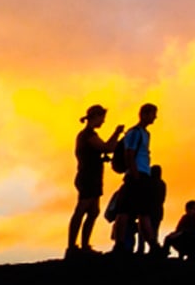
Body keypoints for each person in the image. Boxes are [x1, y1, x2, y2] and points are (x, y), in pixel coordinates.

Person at [67, 105, 123, 254]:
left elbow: (103, 149)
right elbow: (107, 147)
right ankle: (72, 246)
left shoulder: (87, 135)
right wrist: (117, 133)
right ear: (96, 117)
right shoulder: (87, 135)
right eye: (102, 118)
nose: (103, 121)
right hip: (88, 177)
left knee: (93, 211)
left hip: (93, 177)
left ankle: (84, 246)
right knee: (82, 209)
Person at [111, 103, 159, 255]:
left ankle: (153, 245)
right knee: (125, 210)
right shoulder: (135, 133)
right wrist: (135, 174)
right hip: (136, 175)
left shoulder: (145, 133)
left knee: (142, 211)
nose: (155, 117)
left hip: (142, 175)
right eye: (153, 114)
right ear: (144, 114)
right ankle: (120, 245)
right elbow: (129, 154)